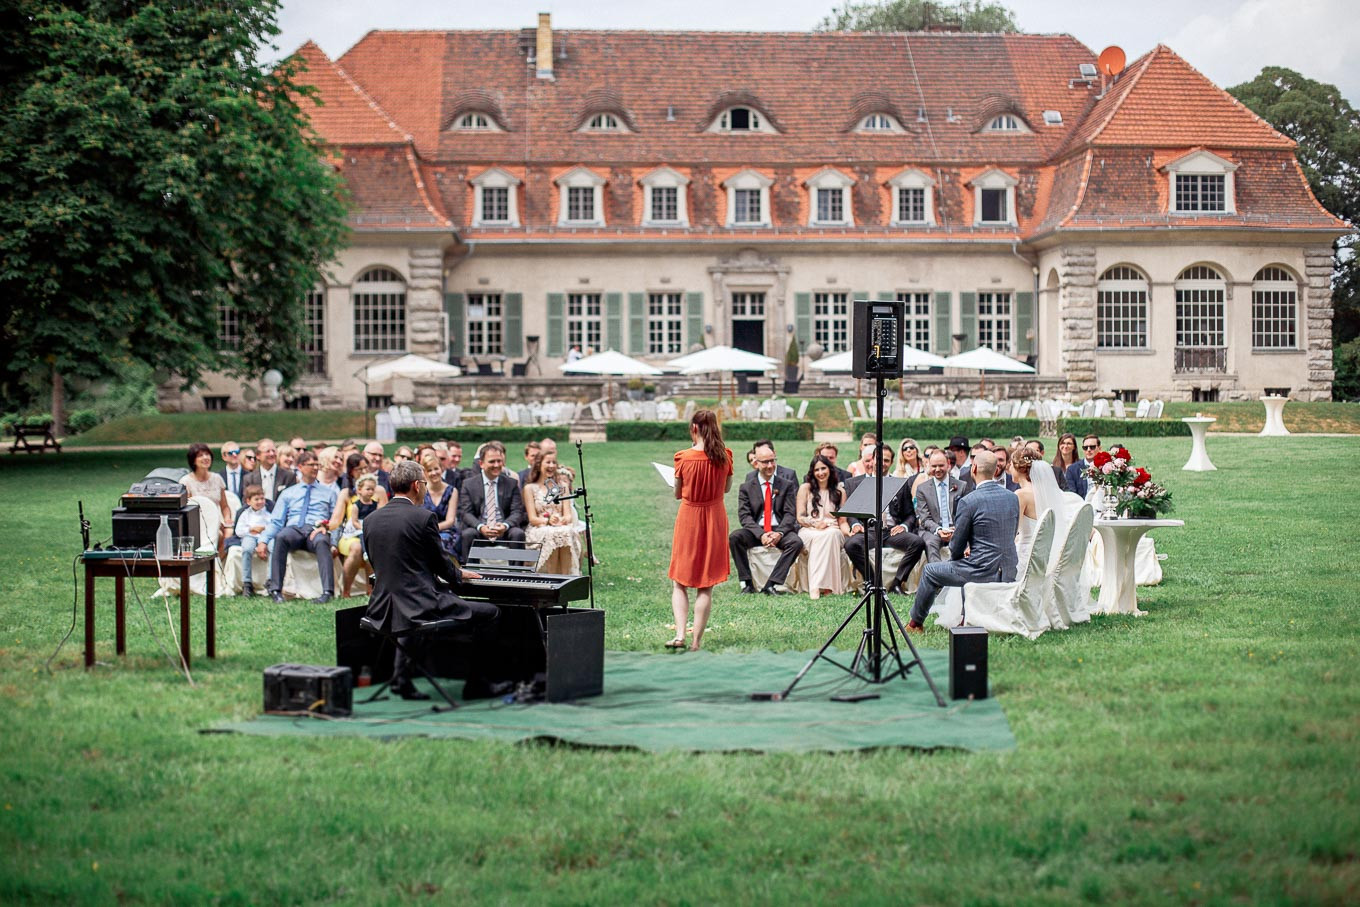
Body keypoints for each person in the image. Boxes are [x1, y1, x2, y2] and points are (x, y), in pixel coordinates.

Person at [362, 460, 499, 701]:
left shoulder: (371, 520)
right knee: (491, 613)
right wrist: (459, 575)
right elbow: (442, 566)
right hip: (419, 605)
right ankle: (477, 684)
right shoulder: (423, 517)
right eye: (424, 483)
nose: (425, 488)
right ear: (416, 485)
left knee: (409, 612)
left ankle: (402, 680)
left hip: (383, 607)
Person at [907, 450, 1019, 632]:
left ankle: (915, 623)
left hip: (981, 570)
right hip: (1008, 568)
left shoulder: (969, 501)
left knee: (930, 571)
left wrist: (958, 558)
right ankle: (965, 617)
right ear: (996, 469)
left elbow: (957, 545)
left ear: (973, 468)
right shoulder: (1012, 497)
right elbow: (1012, 533)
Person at [667, 410, 733, 651]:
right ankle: (696, 641)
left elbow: (677, 493)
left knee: (680, 582)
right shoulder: (725, 456)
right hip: (715, 518)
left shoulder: (683, 457)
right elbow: (726, 489)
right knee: (706, 585)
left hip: (690, 517)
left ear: (694, 428)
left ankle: (681, 634)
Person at [841, 443, 925, 594]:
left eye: (886, 460)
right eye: (879, 459)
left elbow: (910, 515)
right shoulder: (856, 483)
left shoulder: (900, 484)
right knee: (850, 545)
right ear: (872, 460)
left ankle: (897, 583)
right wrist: (854, 525)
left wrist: (904, 526)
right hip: (869, 530)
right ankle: (874, 583)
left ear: (891, 462)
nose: (882, 464)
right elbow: (851, 512)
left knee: (917, 542)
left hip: (892, 531)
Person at [259, 450, 339, 604]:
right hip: (294, 529)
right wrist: (263, 540)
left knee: (322, 541)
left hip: (316, 530)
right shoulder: (289, 493)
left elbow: (336, 521)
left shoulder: (329, 493)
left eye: (317, 465)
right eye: (311, 465)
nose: (315, 468)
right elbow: (276, 521)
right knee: (281, 537)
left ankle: (327, 592)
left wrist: (334, 542)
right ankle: (276, 590)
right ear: (300, 467)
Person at [730, 441, 803, 595]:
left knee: (796, 542)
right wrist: (761, 534)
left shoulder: (786, 484)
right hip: (757, 531)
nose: (770, 465)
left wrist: (779, 534)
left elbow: (790, 514)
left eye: (772, 461)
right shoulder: (747, 487)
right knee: (735, 537)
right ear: (756, 463)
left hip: (779, 529)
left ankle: (772, 584)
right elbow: (744, 516)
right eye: (765, 462)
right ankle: (747, 583)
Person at [455, 440, 527, 563]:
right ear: (481, 463)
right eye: (492, 461)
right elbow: (465, 513)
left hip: (503, 529)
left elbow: (517, 512)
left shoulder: (511, 483)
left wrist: (505, 525)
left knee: (518, 533)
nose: (497, 465)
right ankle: (470, 575)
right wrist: (481, 527)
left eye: (499, 461)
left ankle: (517, 574)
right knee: (467, 534)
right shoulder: (469, 484)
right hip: (480, 528)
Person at [796, 455, 849, 599]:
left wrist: (849, 532)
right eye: (817, 470)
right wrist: (814, 523)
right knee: (820, 536)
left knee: (831, 535)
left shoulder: (840, 491)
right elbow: (800, 517)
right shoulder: (805, 488)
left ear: (830, 469)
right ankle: (817, 586)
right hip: (809, 528)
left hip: (833, 528)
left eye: (823, 468)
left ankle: (828, 587)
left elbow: (842, 521)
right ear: (812, 472)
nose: (820, 473)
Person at [522, 449, 581, 574]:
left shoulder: (562, 487)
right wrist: (548, 520)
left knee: (564, 531)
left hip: (561, 526)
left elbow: (568, 515)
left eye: (554, 463)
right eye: (548, 462)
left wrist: (563, 519)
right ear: (539, 465)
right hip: (539, 528)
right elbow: (532, 519)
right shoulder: (529, 488)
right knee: (552, 534)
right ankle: (552, 577)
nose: (552, 466)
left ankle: (565, 578)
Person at [914, 451, 967, 563]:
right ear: (928, 465)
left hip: (956, 528)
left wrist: (958, 528)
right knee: (930, 543)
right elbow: (924, 519)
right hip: (933, 530)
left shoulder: (962, 486)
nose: (937, 469)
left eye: (941, 465)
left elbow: (966, 514)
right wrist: (939, 530)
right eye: (934, 466)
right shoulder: (922, 489)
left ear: (948, 464)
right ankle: (937, 576)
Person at [336, 473, 382, 598]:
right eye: (368, 489)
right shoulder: (356, 505)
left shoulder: (374, 504)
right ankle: (346, 590)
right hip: (356, 530)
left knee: (374, 548)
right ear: (359, 490)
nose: (370, 492)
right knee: (361, 545)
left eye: (373, 489)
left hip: (369, 528)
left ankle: (371, 589)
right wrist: (362, 528)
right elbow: (354, 521)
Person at [182, 443, 233, 546]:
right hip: (197, 525)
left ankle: (217, 561)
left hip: (217, 522)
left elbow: (225, 507)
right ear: (193, 460)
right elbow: (186, 511)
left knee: (229, 534)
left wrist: (227, 519)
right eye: (200, 455)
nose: (205, 458)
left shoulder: (217, 479)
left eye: (207, 454)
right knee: (217, 535)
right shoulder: (186, 482)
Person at [418, 453, 459, 560]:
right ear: (424, 473)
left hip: (446, 531)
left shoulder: (452, 491)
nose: (434, 473)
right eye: (429, 470)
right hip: (424, 531)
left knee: (440, 541)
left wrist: (433, 529)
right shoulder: (420, 491)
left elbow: (450, 520)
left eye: (436, 468)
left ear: (442, 468)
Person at [234, 484, 272, 597]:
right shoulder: (245, 514)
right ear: (248, 501)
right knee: (247, 549)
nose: (260, 501)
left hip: (266, 536)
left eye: (262, 498)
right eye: (256, 499)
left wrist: (264, 529)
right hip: (250, 535)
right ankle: (247, 582)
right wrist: (251, 529)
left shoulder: (268, 513)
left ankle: (271, 580)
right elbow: (238, 531)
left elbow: (274, 526)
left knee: (274, 547)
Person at [1010, 448, 1040, 566]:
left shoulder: (1021, 495)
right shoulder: (1046, 492)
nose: (1009, 468)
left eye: (1011, 464)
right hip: (1043, 556)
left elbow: (1012, 532)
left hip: (1026, 557)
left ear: (1019, 468)